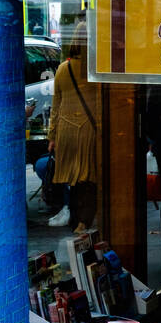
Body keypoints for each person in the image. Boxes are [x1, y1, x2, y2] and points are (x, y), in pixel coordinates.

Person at [47, 23, 98, 231]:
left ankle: (76, 219)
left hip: (66, 132)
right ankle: (84, 220)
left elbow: (55, 106)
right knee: (89, 178)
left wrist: (52, 136)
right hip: (88, 130)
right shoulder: (95, 70)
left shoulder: (62, 69)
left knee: (74, 180)